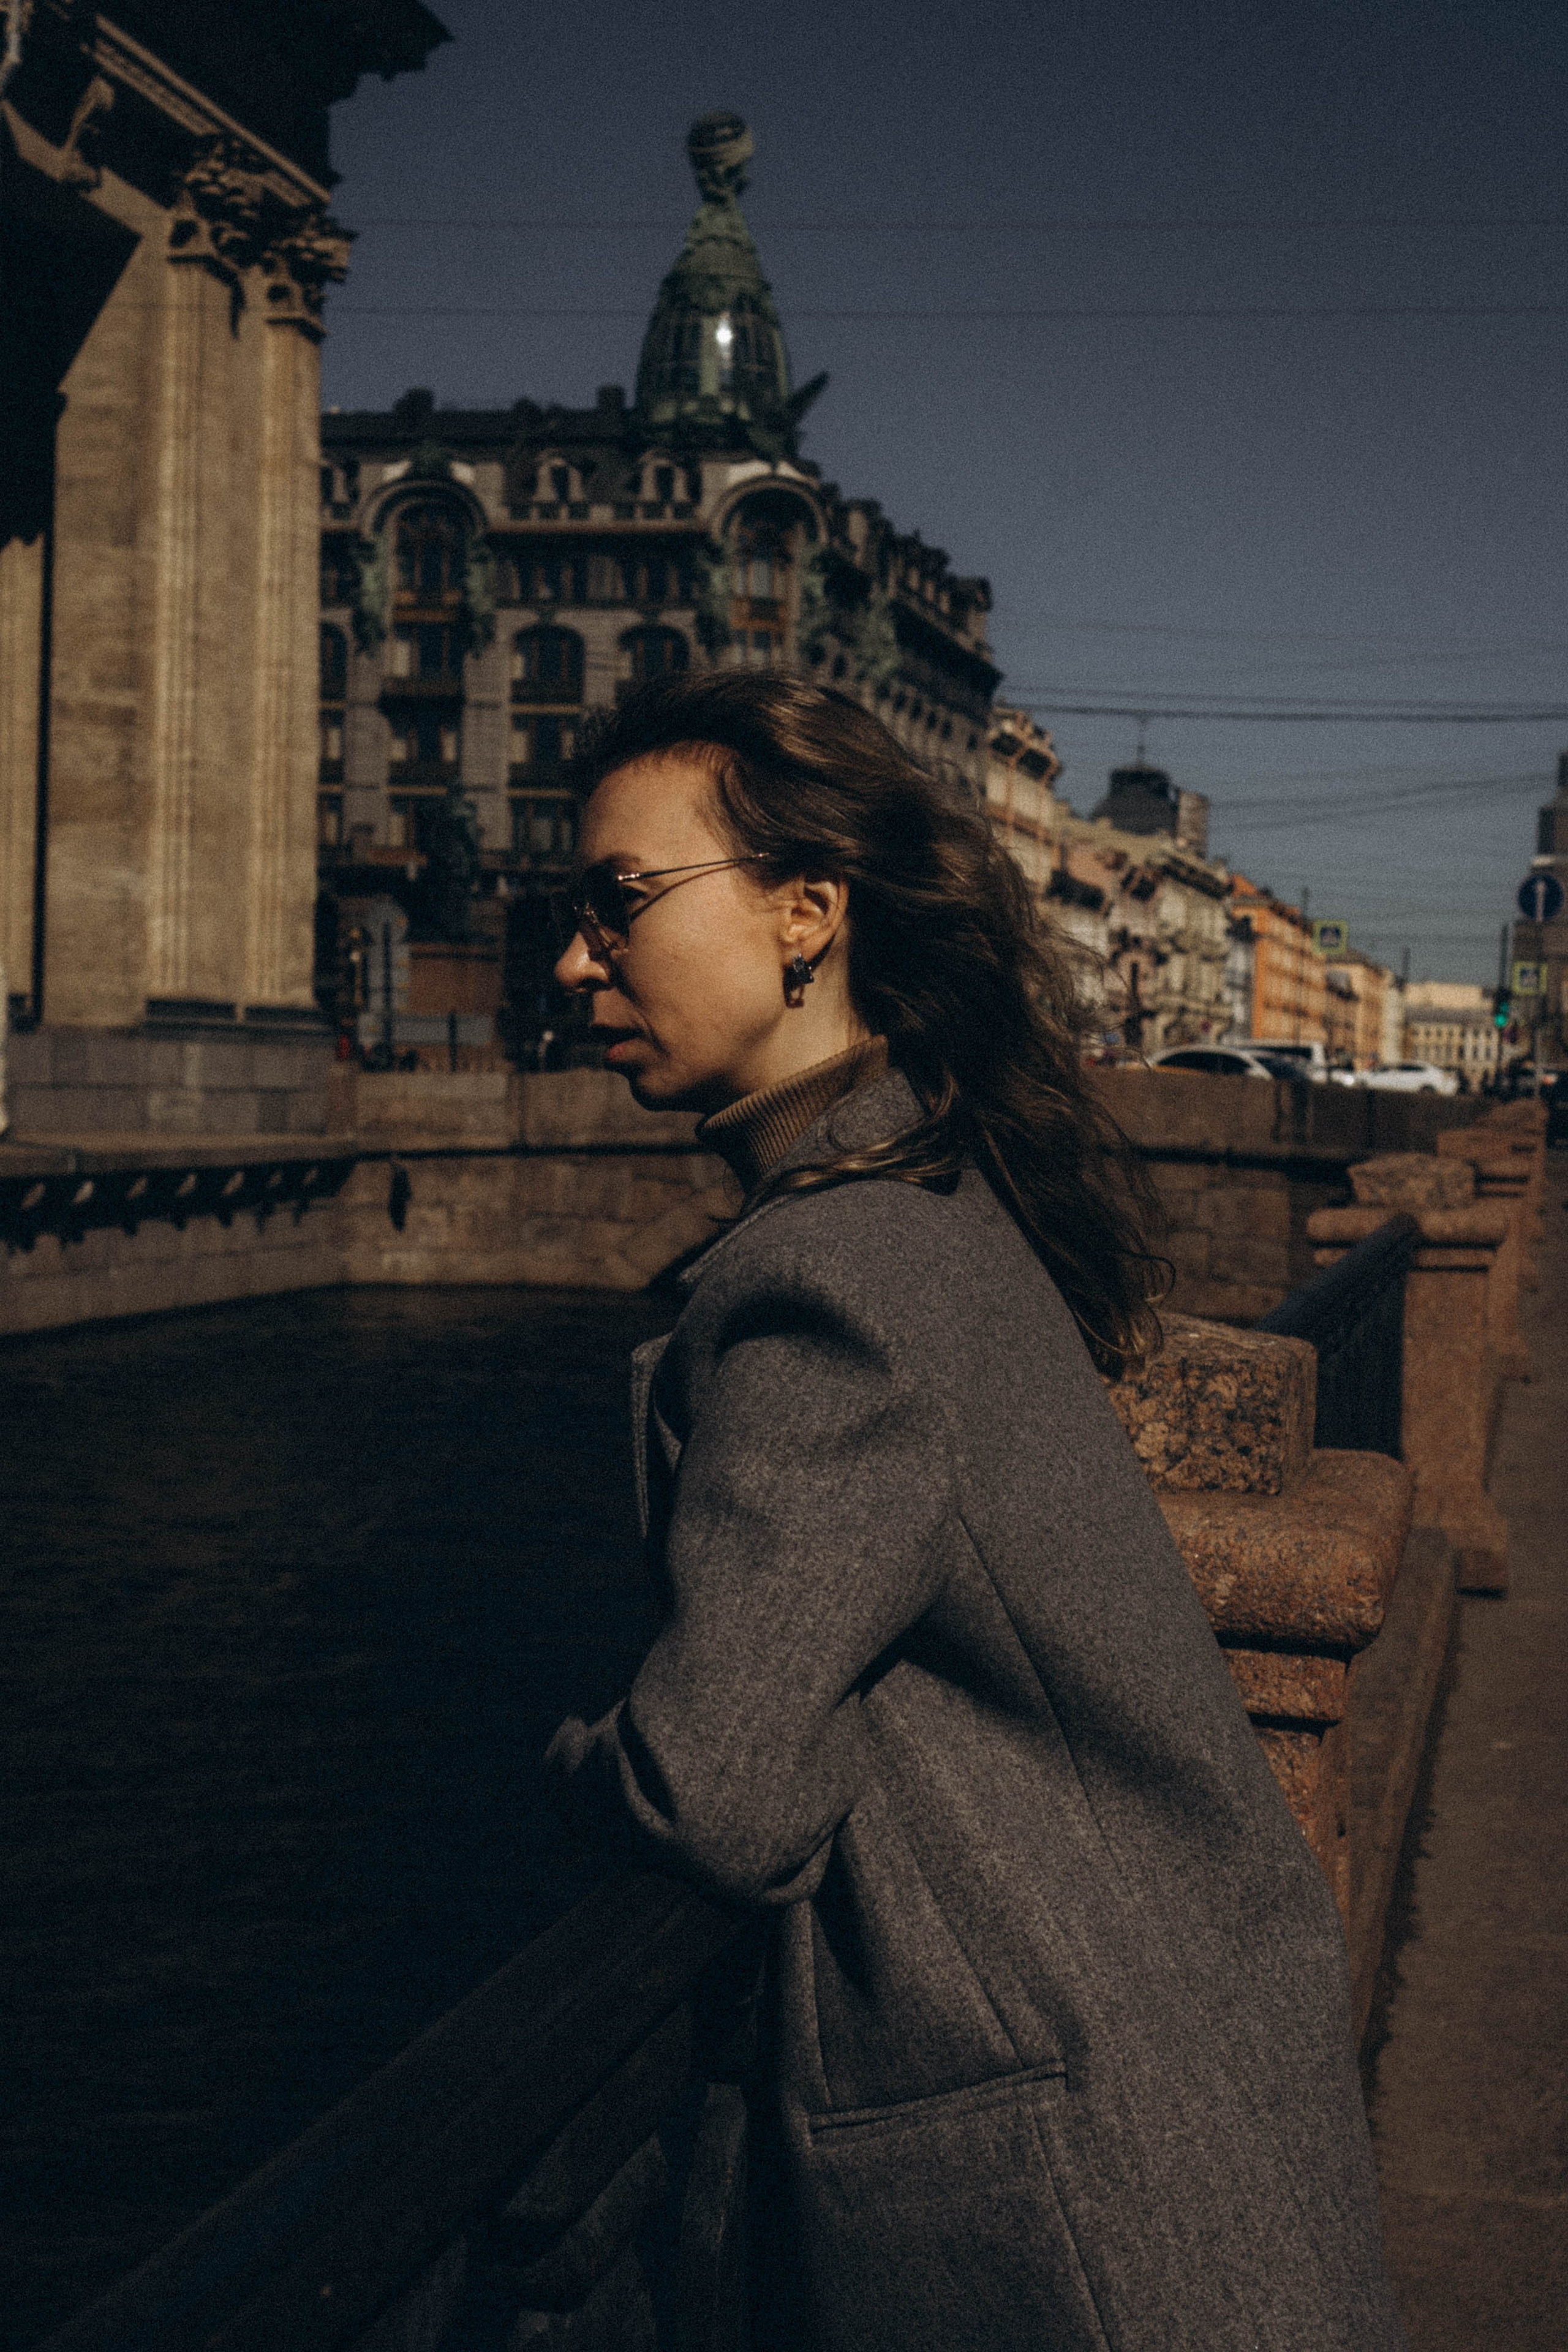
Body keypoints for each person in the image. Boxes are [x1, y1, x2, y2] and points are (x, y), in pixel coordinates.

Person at [543, 671, 1406, 2351]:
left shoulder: (829, 1277)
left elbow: (711, 1794)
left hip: (1072, 2219)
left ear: (806, 914)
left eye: (619, 904)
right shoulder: (940, 1189)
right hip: (1189, 2108)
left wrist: (569, 1764)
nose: (577, 960)